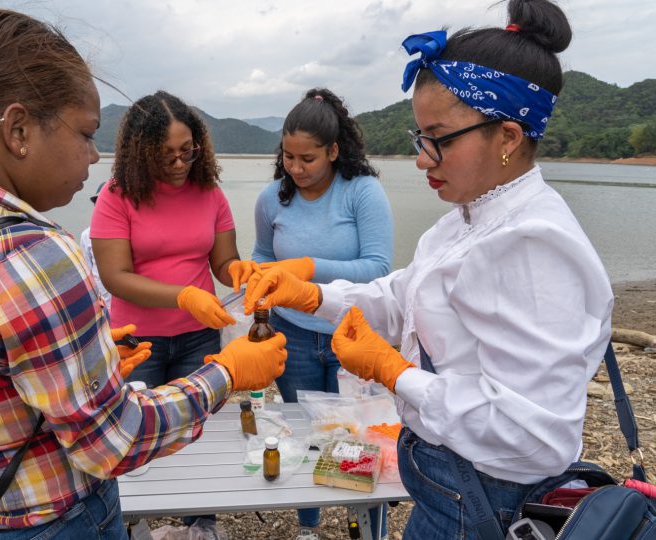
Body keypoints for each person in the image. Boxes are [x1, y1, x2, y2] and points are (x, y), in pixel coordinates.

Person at [0, 9, 286, 539]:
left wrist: (78, 358)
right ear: (18, 130)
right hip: (49, 521)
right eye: (85, 134)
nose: (92, 156)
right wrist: (229, 372)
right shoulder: (31, 253)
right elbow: (114, 441)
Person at [242, 1, 613, 538]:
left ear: (507, 137)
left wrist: (396, 373)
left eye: (437, 139)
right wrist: (311, 296)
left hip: (491, 500)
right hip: (447, 486)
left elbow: (531, 437)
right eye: (421, 139)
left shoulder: (533, 246)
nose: (421, 159)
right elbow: (400, 296)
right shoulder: (464, 220)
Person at [244, 88, 394, 540]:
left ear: (333, 150)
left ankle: (368, 527)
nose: (295, 168)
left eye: (307, 158)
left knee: (360, 436)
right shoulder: (273, 199)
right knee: (305, 433)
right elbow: (262, 256)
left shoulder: (362, 193)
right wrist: (253, 281)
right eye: (288, 157)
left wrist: (308, 270)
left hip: (350, 334)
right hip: (293, 334)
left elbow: (378, 268)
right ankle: (308, 527)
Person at [91, 91, 241, 389]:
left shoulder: (210, 193)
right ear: (141, 153)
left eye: (187, 151)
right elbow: (115, 277)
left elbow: (224, 262)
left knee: (197, 426)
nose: (179, 163)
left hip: (200, 335)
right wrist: (184, 297)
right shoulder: (116, 196)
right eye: (165, 154)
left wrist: (241, 271)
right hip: (137, 341)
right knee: (142, 427)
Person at [80, 182, 112, 308]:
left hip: (126, 303)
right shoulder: (86, 235)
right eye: (99, 202)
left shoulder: (131, 232)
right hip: (103, 303)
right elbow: (87, 270)